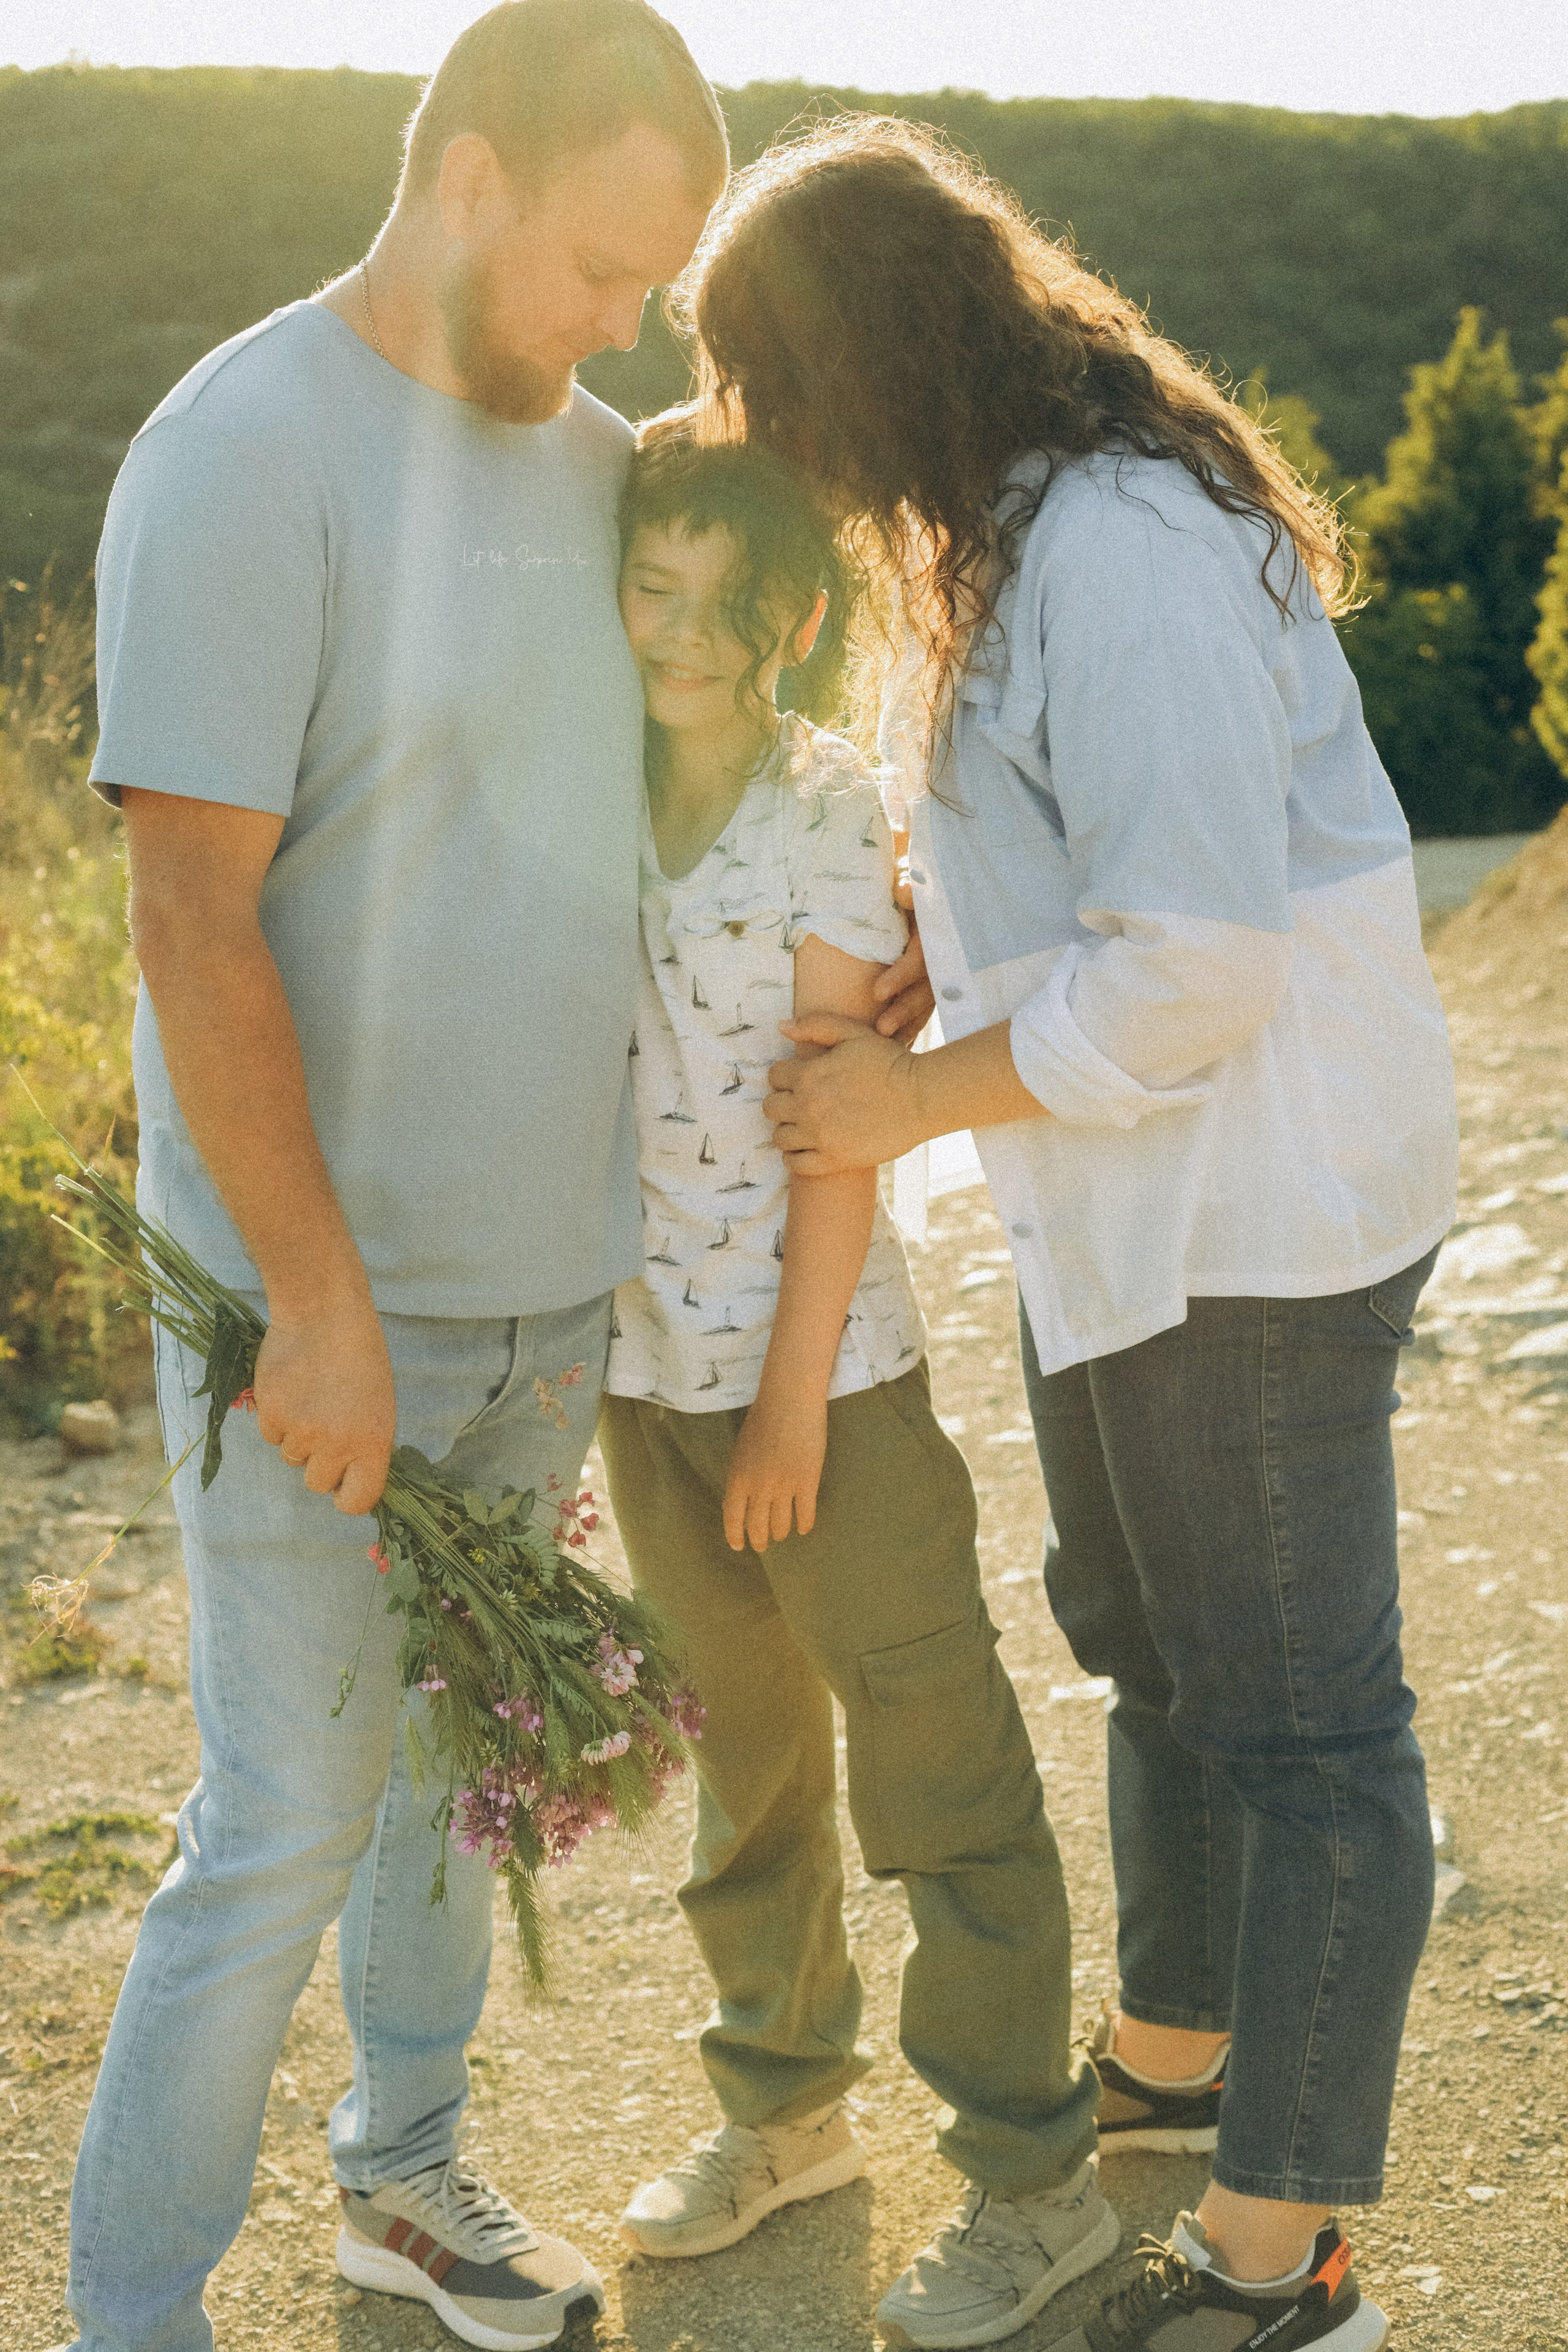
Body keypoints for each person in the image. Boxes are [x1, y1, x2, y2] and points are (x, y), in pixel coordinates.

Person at [683, 117, 1458, 2352]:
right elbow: (1077, 859)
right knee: (1151, 1645)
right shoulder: (999, 537)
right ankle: (1184, 2065)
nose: (756, 444)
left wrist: (910, 1087)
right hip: (1130, 1201)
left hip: (1253, 1216)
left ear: (872, 363)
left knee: (1303, 1725)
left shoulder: (1113, 540)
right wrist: (948, 947)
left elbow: (1202, 958)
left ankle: (1279, 2249)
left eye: (764, 388)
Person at [63, 10, 734, 2351]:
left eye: (655, 282)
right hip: (320, 1314)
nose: (627, 324)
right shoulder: (248, 451)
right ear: (463, 178)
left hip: (550, 1294)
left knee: (468, 1781)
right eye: (595, 263)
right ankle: (133, 2313)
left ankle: (406, 2178)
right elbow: (188, 915)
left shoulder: (618, 469)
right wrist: (319, 1305)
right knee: (274, 1835)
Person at [595, 428, 1118, 2347]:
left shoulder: (822, 815)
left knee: (934, 1762)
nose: (679, 633)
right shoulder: (591, 784)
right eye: (648, 588)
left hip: (828, 1379)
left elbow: (838, 1129)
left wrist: (798, 1402)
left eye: (716, 598)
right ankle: (785, 2112)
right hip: (643, 1373)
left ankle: (1031, 2177)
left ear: (788, 616)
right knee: (741, 1762)